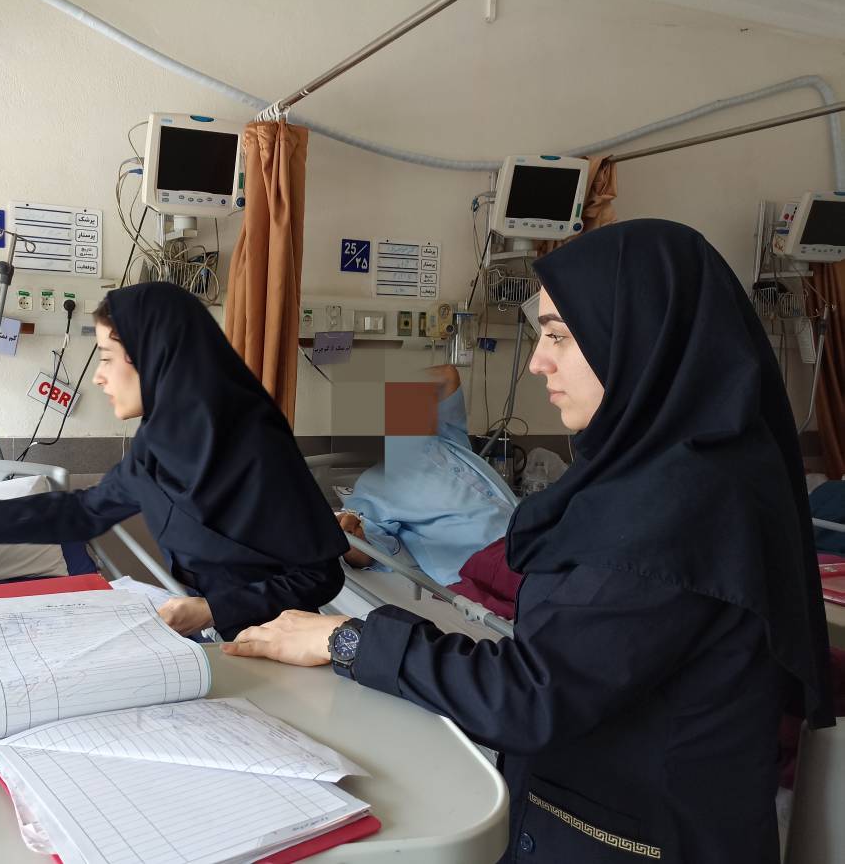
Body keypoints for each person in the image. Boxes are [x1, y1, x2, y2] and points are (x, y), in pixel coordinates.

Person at [221, 220, 835, 863]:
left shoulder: (683, 503)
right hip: (598, 803)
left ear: (639, 337)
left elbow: (535, 694)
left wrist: (345, 639)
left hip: (645, 836)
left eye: (560, 335)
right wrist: (351, 532)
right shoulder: (645, 471)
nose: (539, 361)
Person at [0, 281, 346, 640]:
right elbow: (85, 512)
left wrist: (213, 610)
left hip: (283, 638)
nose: (98, 376)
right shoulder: (157, 444)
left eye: (108, 358)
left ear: (155, 357)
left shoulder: (256, 447)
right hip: (217, 634)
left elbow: (320, 576)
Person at [338, 364, 516, 585]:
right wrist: (349, 535)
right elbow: (365, 553)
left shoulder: (446, 437)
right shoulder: (376, 483)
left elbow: (448, 374)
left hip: (530, 535)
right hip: (490, 560)